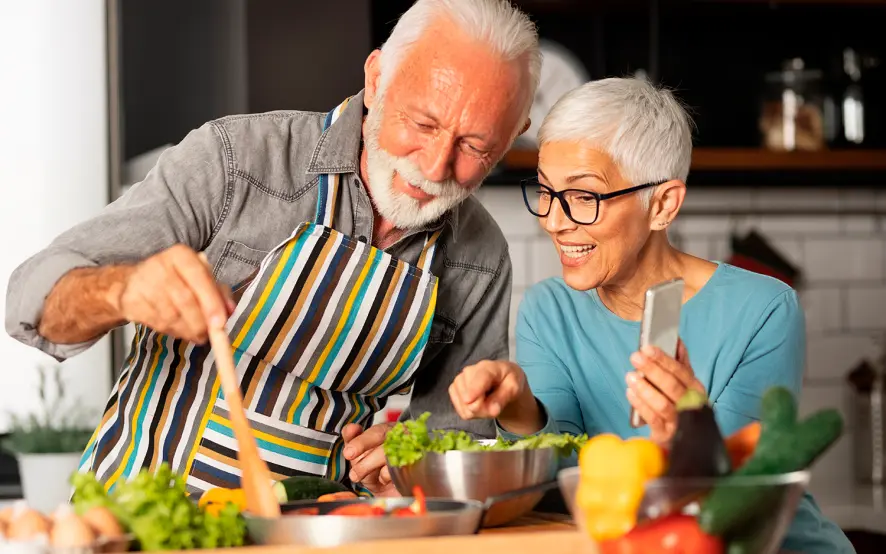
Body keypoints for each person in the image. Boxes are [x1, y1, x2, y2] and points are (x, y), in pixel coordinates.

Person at [4, 0, 541, 497]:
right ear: (376, 80)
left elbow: (453, 453)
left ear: (515, 132)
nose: (435, 165)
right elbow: (30, 300)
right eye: (422, 123)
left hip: (316, 533)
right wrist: (121, 290)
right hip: (137, 519)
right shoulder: (237, 161)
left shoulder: (479, 256)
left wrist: (412, 464)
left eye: (476, 146)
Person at [447, 78, 855, 553]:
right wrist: (520, 410)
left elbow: (748, 494)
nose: (553, 220)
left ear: (662, 205)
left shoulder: (763, 308)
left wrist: (692, 434)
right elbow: (564, 479)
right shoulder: (549, 310)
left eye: (584, 197)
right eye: (545, 191)